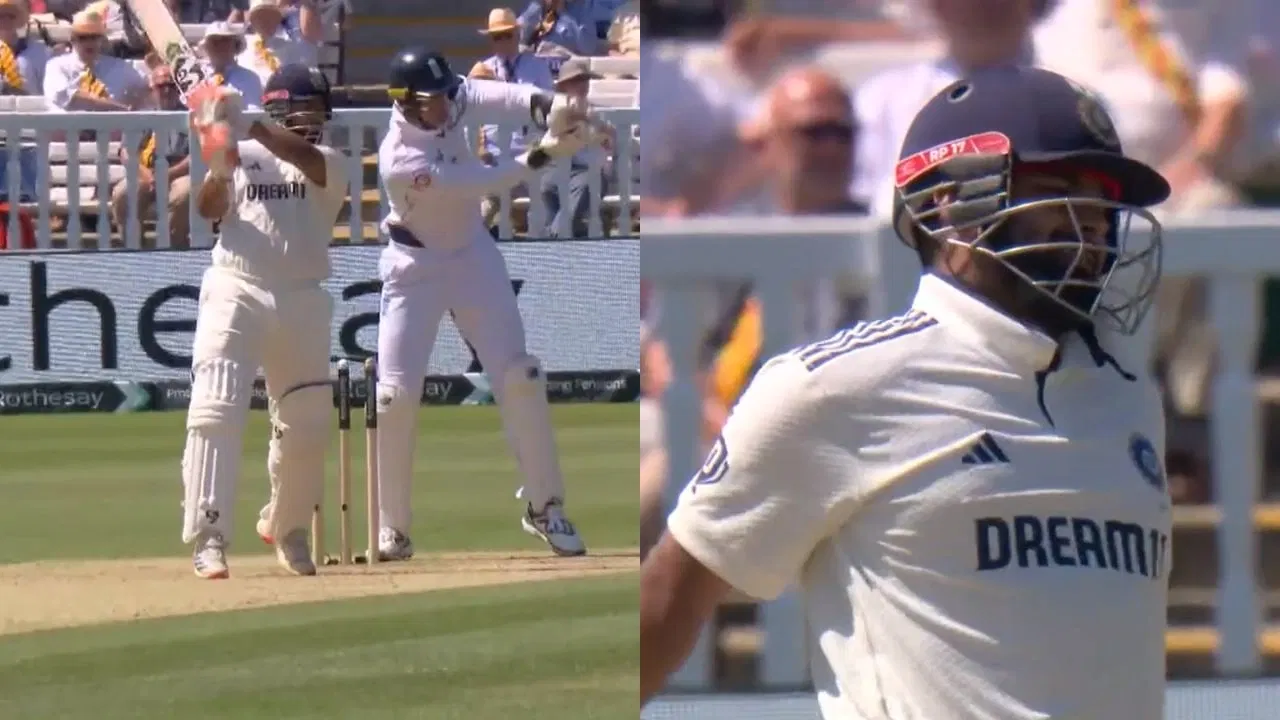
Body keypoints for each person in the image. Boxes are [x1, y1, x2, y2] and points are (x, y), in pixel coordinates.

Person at [640, 67, 1174, 718]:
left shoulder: (1127, 396)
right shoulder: (835, 387)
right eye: (1061, 195)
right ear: (949, 202)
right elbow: (675, 591)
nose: (1089, 232)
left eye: (1100, 207)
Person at [371, 46, 593, 560]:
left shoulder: (447, 99)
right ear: (406, 103)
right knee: (395, 396)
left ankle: (546, 508)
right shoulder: (400, 159)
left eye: (450, 94)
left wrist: (548, 107)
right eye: (436, 100)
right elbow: (481, 182)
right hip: (413, 268)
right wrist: (545, 153)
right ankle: (392, 527)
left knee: (520, 376)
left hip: (473, 254)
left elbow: (503, 96)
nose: (449, 106)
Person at [181, 64, 349, 579]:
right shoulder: (238, 148)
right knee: (216, 407)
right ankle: (208, 535)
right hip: (236, 286)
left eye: (319, 114)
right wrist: (217, 167)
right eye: (303, 113)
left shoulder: (330, 162)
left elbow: (302, 158)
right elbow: (208, 208)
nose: (313, 123)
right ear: (279, 108)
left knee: (309, 420)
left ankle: (288, 526)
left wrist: (248, 123)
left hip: (301, 295)